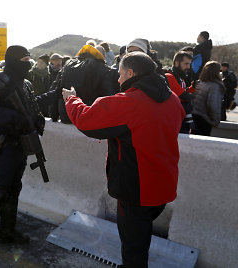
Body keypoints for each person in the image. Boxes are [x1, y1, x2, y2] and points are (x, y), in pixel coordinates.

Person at [62, 52, 185, 267]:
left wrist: (71, 99)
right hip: (164, 185)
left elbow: (86, 120)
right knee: (140, 239)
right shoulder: (173, 99)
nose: (118, 80)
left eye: (119, 74)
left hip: (136, 190)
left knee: (133, 250)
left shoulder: (130, 102)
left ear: (130, 73)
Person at [0, 45, 45, 262]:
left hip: (19, 144)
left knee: (14, 188)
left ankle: (6, 232)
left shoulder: (25, 83)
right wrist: (14, 118)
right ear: (13, 60)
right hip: (2, 144)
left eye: (28, 60)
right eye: (23, 60)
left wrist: (37, 117)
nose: (27, 65)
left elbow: (30, 106)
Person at [191, 61, 226, 136]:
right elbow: (213, 104)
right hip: (205, 119)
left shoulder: (200, 83)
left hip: (194, 117)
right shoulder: (215, 86)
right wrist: (215, 121)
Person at [164, 51, 195, 133]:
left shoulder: (180, 77)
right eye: (186, 64)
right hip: (172, 120)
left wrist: (193, 87)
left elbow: (184, 93)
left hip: (179, 117)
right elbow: (183, 96)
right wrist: (192, 95)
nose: (188, 67)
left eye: (189, 64)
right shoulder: (169, 76)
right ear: (177, 63)